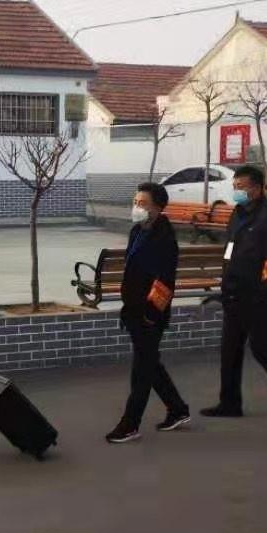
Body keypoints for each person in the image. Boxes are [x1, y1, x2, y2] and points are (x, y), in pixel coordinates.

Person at [201, 164, 267, 420]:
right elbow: (230, 248)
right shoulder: (237, 214)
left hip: (260, 296)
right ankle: (229, 403)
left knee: (262, 349)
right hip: (234, 293)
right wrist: (225, 277)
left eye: (242, 187)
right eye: (235, 186)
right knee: (230, 350)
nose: (237, 191)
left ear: (258, 189)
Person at [106, 182, 189, 443]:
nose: (137, 207)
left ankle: (130, 424)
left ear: (157, 207)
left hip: (149, 315)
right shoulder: (137, 231)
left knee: (141, 371)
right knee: (150, 364)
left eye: (143, 203)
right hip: (133, 310)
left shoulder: (165, 239)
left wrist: (151, 314)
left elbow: (165, 282)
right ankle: (177, 409)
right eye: (135, 202)